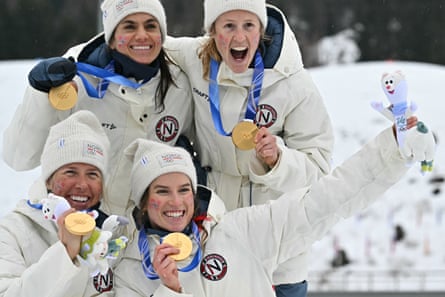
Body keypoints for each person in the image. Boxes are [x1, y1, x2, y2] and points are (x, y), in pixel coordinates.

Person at [112, 121, 435, 296]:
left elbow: (324, 201)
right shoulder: (128, 270)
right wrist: (169, 291)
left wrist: (391, 150)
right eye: (161, 191)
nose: (175, 202)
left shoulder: (240, 233)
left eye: (184, 190)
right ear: (143, 200)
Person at [164, 1, 333, 295]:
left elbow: (318, 170)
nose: (239, 38)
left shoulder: (293, 82)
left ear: (261, 29)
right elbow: (141, 41)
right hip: (216, 238)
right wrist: (75, 60)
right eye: (228, 26)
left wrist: (278, 160)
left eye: (248, 26)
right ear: (212, 31)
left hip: (279, 250)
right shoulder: (194, 59)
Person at [2, 0, 193, 217]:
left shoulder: (180, 87)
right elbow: (19, 157)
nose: (142, 35)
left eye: (151, 26)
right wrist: (40, 94)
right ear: (110, 38)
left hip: (139, 232)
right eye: (129, 26)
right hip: (75, 224)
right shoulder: (76, 81)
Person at [0, 110, 121, 296]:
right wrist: (65, 253)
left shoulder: (115, 236)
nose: (82, 185)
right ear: (48, 179)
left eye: (92, 174)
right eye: (70, 172)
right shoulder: (12, 230)